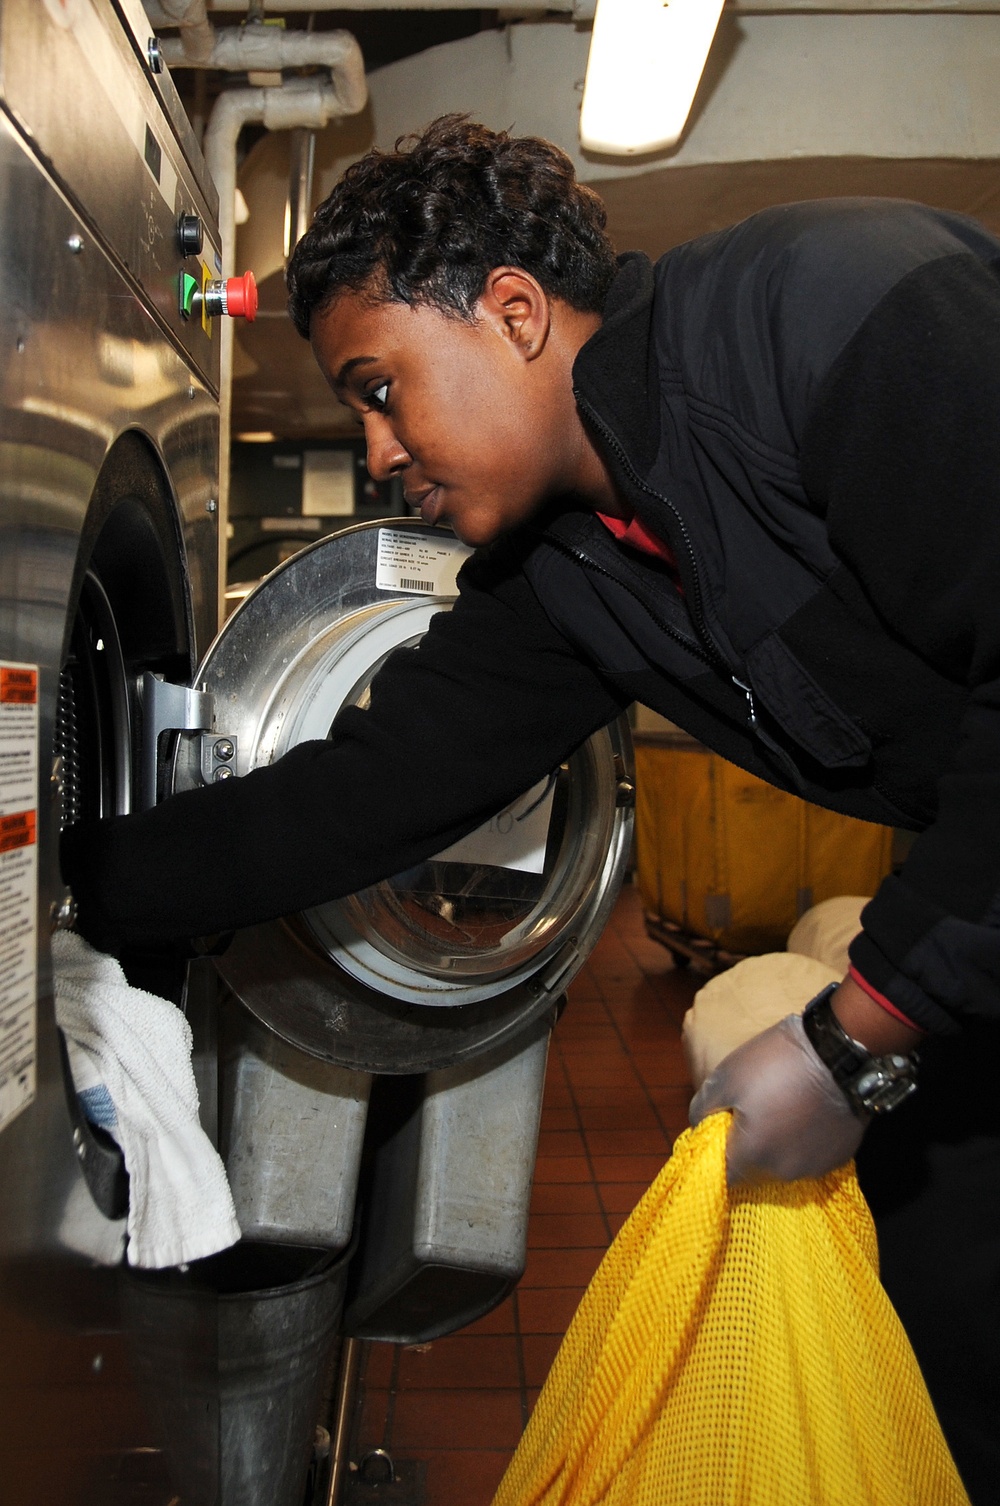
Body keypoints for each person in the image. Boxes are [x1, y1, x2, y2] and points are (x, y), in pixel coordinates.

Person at [63, 117, 1000, 1501]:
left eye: (380, 388)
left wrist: (865, 1030)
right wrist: (65, 886)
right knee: (943, 1309)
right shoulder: (576, 570)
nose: (377, 451)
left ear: (512, 311)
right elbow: (366, 798)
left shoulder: (834, 312)